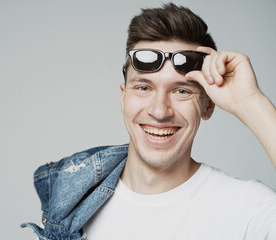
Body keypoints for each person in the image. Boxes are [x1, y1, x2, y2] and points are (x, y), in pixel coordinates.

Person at [21, 3, 276, 240]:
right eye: (144, 87)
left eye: (182, 91)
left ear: (208, 105)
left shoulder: (247, 209)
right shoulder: (73, 203)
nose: (159, 110)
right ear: (123, 97)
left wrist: (250, 102)